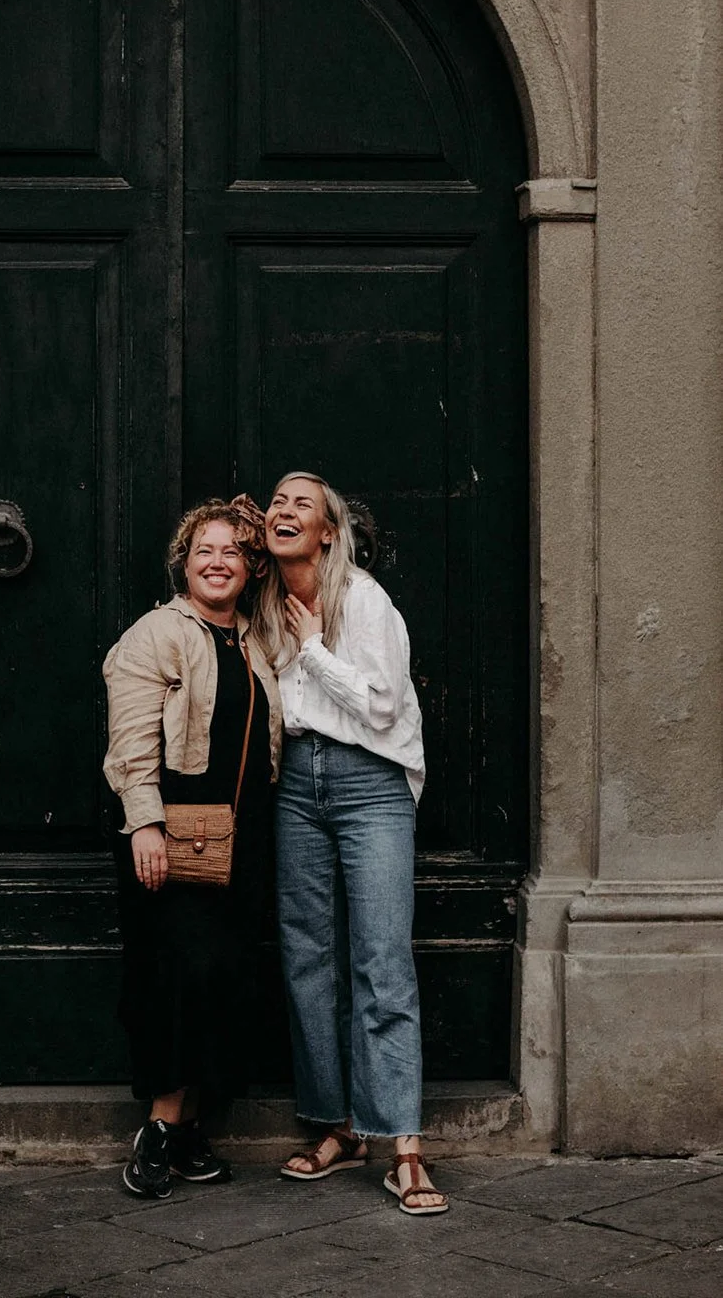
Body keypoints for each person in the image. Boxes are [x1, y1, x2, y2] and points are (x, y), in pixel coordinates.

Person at [255, 470, 448, 1215]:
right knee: (307, 955)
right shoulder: (267, 604)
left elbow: (380, 705)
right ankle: (338, 1126)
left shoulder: (362, 600)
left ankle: (404, 1145)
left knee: (381, 959)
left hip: (371, 783)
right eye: (276, 501)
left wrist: (312, 650)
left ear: (329, 530)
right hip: (297, 784)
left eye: (302, 503)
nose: (285, 510)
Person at [103, 497, 282, 1201]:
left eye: (233, 552)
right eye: (204, 551)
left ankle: (187, 1130)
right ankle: (158, 1127)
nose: (217, 562)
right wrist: (144, 823)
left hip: (245, 838)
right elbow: (131, 741)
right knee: (178, 974)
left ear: (250, 568)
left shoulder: (259, 639)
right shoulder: (156, 634)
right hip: (171, 835)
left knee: (225, 978)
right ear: (184, 562)